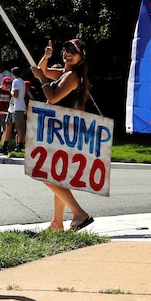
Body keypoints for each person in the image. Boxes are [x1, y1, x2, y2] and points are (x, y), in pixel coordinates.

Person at [30, 38, 94, 232]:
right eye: (66, 49)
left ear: (81, 56)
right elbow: (44, 70)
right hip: (63, 130)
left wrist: (42, 79)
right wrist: (46, 57)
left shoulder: (72, 76)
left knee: (43, 173)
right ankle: (57, 223)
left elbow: (52, 96)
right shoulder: (66, 73)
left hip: (62, 132)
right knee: (57, 178)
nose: (67, 53)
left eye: (73, 51)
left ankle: (79, 213)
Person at [2, 66, 28, 154]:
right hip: (13, 106)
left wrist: (10, 91)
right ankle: (5, 145)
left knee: (19, 126)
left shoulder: (16, 82)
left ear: (13, 74)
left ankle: (19, 144)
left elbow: (15, 94)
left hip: (18, 106)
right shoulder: (22, 82)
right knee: (9, 124)